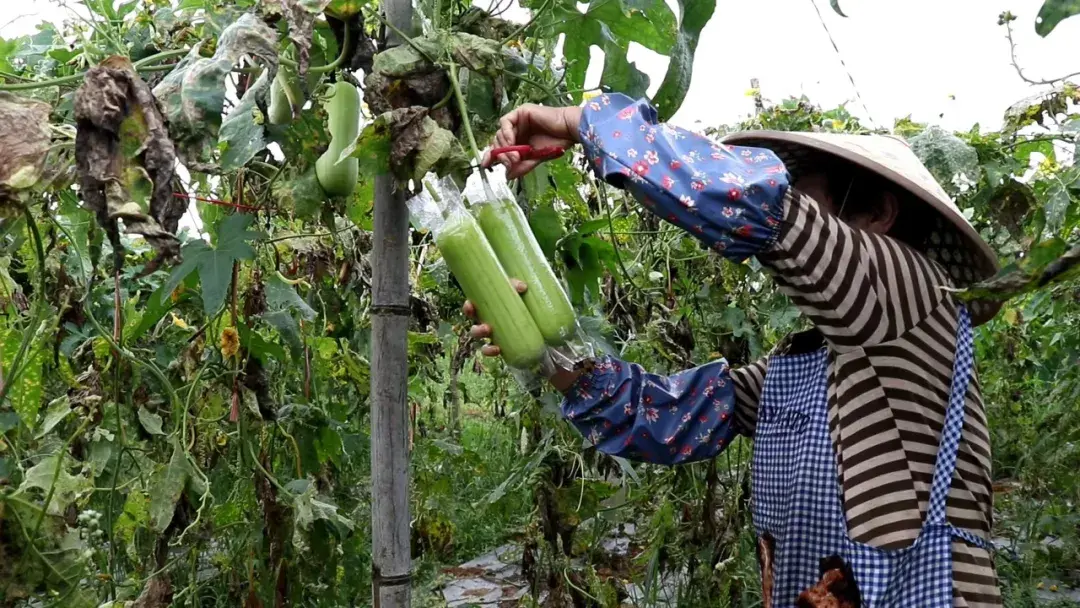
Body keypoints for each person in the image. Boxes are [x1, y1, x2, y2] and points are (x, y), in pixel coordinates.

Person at [467, 93, 1004, 607]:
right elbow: (672, 417)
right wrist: (540, 345)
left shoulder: (917, 295)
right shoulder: (809, 360)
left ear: (878, 215)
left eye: (804, 194)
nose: (790, 203)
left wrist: (583, 121)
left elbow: (752, 204)